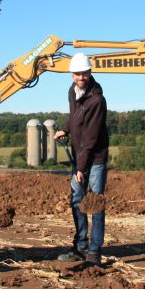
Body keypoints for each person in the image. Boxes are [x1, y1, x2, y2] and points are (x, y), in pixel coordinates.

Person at [53, 53, 109, 265]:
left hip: (94, 160)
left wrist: (80, 168)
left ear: (90, 72)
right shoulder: (72, 92)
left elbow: (90, 138)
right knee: (77, 201)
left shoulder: (97, 100)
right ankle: (80, 247)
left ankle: (94, 251)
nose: (80, 77)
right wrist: (65, 129)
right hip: (80, 158)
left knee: (94, 203)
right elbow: (74, 116)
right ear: (72, 74)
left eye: (84, 73)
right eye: (77, 73)